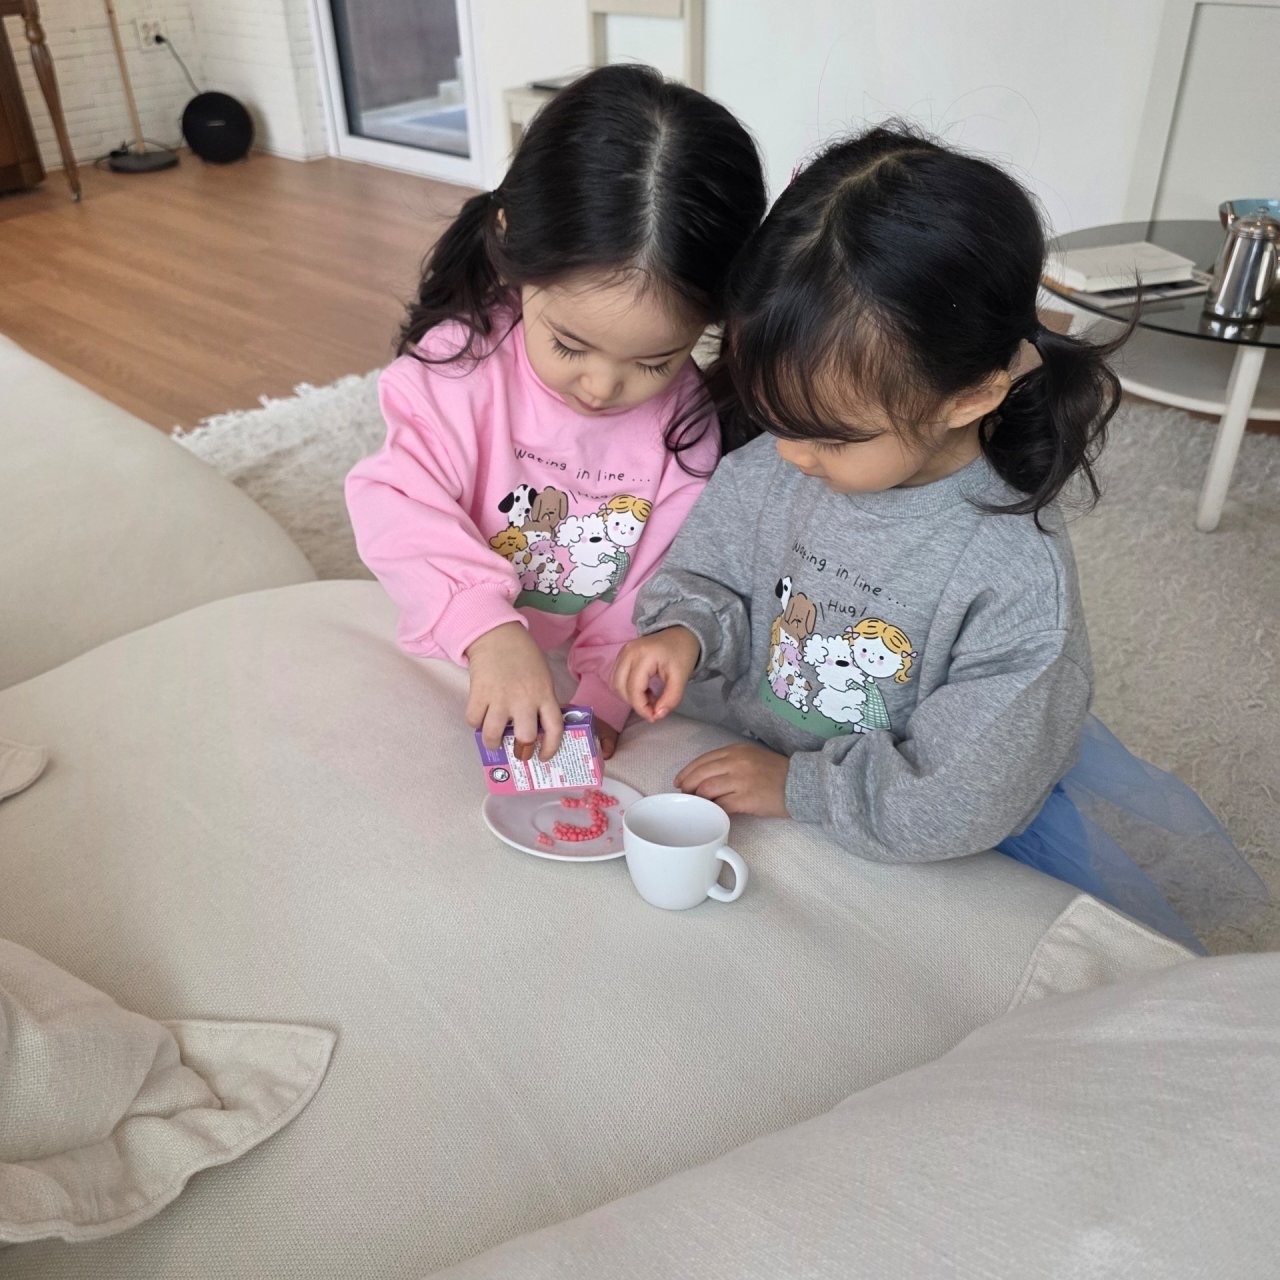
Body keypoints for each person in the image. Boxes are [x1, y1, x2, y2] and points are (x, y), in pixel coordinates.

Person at [612, 124, 1263, 948]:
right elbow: (709, 573)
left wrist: (800, 789)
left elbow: (962, 791)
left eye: (831, 437)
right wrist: (684, 630)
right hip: (749, 755)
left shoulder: (1010, 573)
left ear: (971, 396)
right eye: (777, 418)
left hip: (904, 820)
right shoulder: (778, 467)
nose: (788, 455)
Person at [347, 64, 766, 763]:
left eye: (656, 361)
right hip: (454, 640)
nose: (600, 388)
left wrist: (603, 696)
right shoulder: (457, 367)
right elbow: (392, 502)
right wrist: (486, 627)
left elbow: (655, 579)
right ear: (511, 241)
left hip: (572, 673)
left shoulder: (686, 426)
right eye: (569, 344)